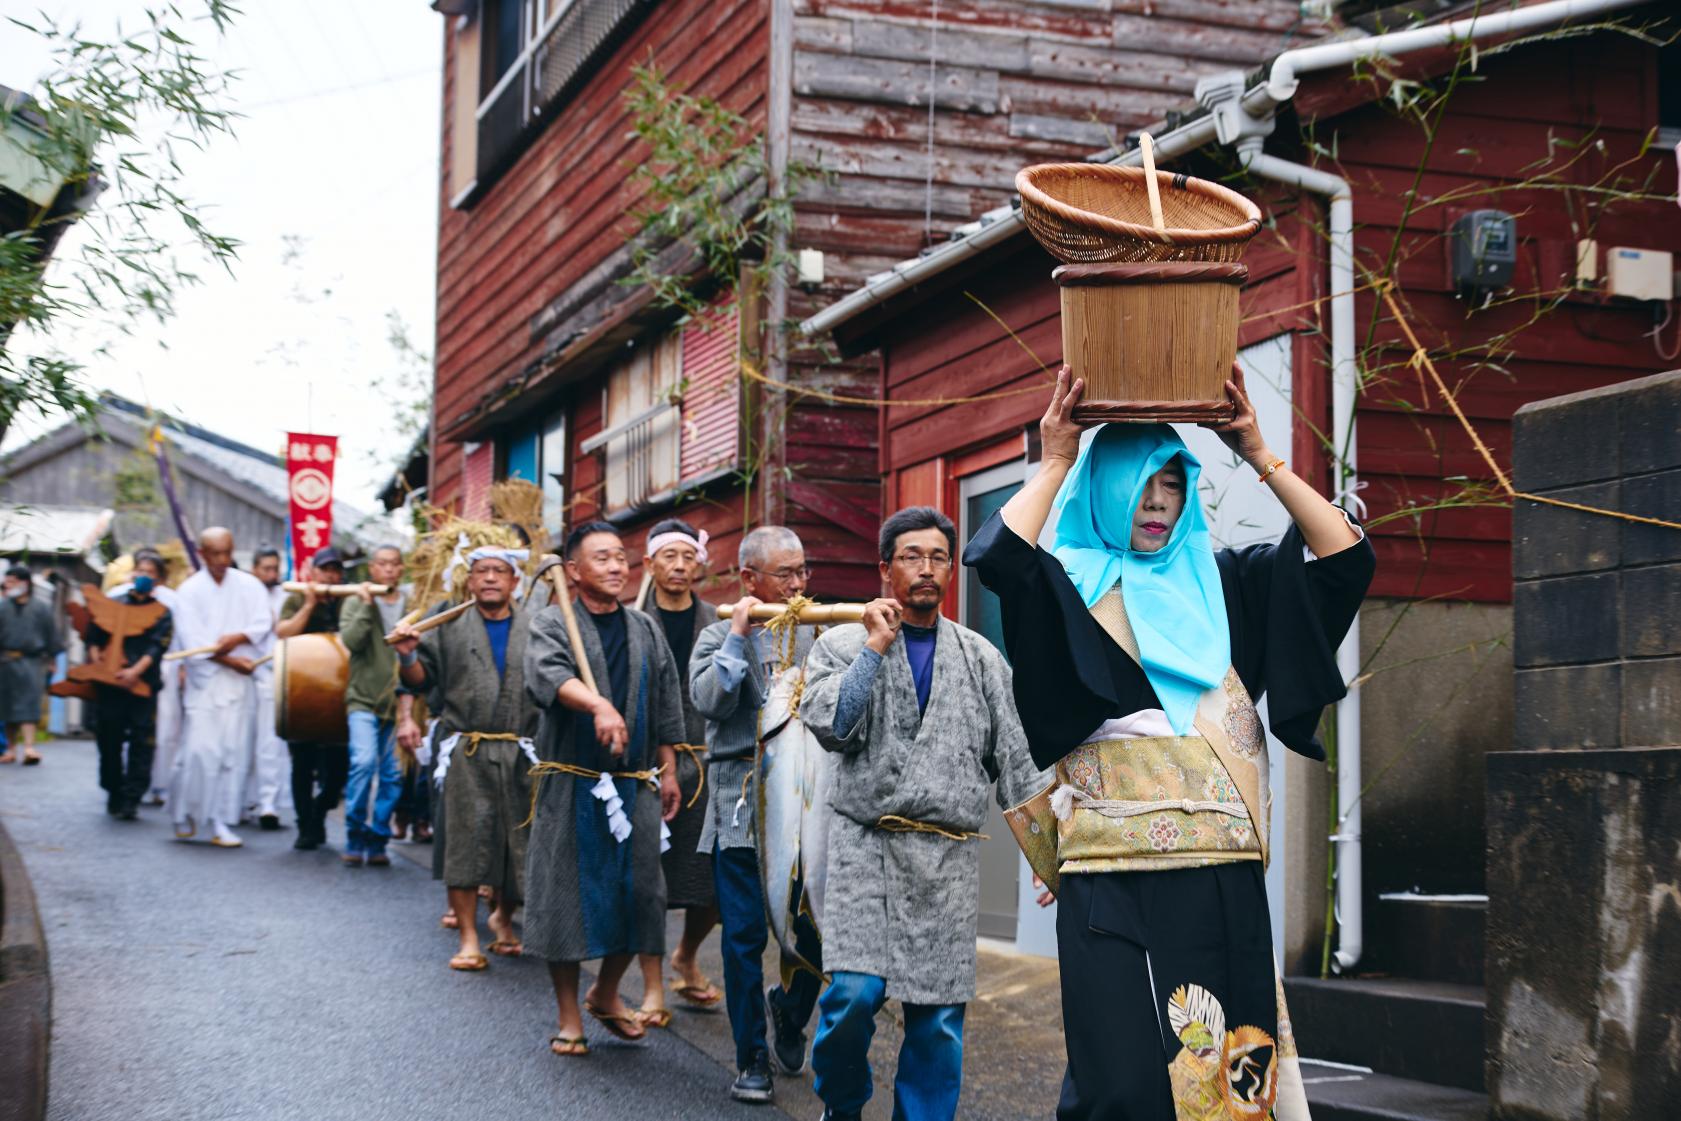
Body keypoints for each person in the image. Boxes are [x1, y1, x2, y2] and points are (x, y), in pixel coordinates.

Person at [965, 367, 1374, 1121]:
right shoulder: (1067, 590)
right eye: (1139, 484)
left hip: (1221, 876)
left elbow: (1344, 557)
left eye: (1173, 484)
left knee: (1230, 1083)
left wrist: (1257, 452)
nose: (1156, 502)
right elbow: (996, 555)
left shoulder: (1224, 586)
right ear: (1102, 490)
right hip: (1107, 876)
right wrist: (1054, 461)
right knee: (1118, 1085)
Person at [799, 506, 1049, 1121]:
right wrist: (874, 649)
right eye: (912, 556)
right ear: (886, 568)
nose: (927, 569)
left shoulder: (981, 658)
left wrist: (1047, 855)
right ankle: (842, 1103)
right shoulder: (840, 645)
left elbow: (1018, 761)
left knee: (937, 1019)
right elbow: (834, 726)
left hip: (946, 863)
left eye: (938, 557)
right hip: (865, 846)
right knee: (852, 995)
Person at [521, 523, 684, 1058]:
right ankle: (569, 1015)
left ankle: (606, 991)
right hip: (572, 781)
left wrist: (668, 770)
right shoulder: (552, 623)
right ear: (573, 571)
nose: (616, 567)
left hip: (634, 782)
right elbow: (547, 675)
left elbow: (666, 702)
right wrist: (598, 704)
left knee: (644, 896)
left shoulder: (643, 627)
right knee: (563, 898)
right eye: (601, 558)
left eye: (620, 557)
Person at [689, 525, 825, 1103]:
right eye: (785, 573)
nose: (797, 584)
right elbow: (710, 700)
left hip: (808, 801)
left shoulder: (821, 632)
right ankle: (750, 1056)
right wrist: (739, 635)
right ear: (750, 578)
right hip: (739, 800)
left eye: (802, 571)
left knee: (815, 927)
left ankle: (790, 1011)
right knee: (743, 936)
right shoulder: (717, 632)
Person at [391, 547, 540, 970]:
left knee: (516, 841)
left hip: (521, 748)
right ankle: (469, 937)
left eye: (499, 571)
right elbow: (421, 680)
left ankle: (503, 918)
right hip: (465, 748)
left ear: (514, 581)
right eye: (482, 571)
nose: (490, 578)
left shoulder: (537, 627)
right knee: (464, 840)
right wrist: (407, 655)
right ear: (469, 581)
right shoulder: (449, 625)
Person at [634, 517, 722, 1026]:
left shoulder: (717, 620)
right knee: (647, 879)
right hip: (645, 765)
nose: (680, 566)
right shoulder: (631, 621)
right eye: (670, 556)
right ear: (650, 564)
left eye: (689, 557)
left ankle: (686, 955)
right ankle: (651, 986)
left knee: (710, 876)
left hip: (706, 760)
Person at [169, 528, 272, 848]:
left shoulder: (249, 585)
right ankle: (185, 811)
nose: (222, 560)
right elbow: (193, 641)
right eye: (215, 553)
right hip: (207, 682)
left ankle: (220, 820)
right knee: (199, 751)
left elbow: (262, 624)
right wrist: (228, 659)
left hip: (240, 685)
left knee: (233, 753)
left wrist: (239, 638)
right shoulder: (189, 591)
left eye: (227, 552)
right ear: (202, 554)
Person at [85, 552, 174, 819]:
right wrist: (102, 667)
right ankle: (114, 789)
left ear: (159, 579)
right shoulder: (113, 603)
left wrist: (135, 672)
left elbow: (156, 647)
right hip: (111, 686)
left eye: (150, 572)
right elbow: (94, 638)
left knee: (141, 741)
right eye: (140, 570)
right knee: (109, 739)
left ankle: (132, 797)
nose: (143, 576)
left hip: (143, 686)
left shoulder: (163, 613)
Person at [337, 544, 409, 867]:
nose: (388, 570)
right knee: (363, 763)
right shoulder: (355, 601)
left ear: (402, 568)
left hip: (400, 703)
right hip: (363, 700)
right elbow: (351, 641)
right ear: (372, 569)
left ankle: (378, 836)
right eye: (382, 564)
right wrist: (367, 606)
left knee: (393, 775)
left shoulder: (412, 603)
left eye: (394, 564)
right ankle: (354, 834)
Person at [276, 546, 348, 851]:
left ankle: (320, 810)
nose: (330, 576)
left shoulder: (349, 600)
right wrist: (308, 605)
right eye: (324, 570)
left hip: (338, 696)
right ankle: (305, 825)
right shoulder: (297, 598)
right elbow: (283, 633)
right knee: (302, 764)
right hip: (302, 694)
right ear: (314, 572)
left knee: (338, 769)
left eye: (335, 570)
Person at [247, 546, 291, 830]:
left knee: (269, 742)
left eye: (275, 568)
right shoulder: (244, 594)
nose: (272, 574)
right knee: (241, 742)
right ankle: (241, 799)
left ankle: (268, 802)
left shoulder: (285, 596)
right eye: (266, 569)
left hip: (271, 674)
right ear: (255, 569)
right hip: (240, 673)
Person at [0, 565, 61, 766]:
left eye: (12, 582)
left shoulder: (41, 608)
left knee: (29, 703)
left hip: (32, 661)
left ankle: (29, 747)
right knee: (6, 706)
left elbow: (52, 636)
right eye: (7, 582)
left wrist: (52, 660)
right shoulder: (3, 607)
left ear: (25, 583)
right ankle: (10, 749)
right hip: (5, 661)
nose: (8, 586)